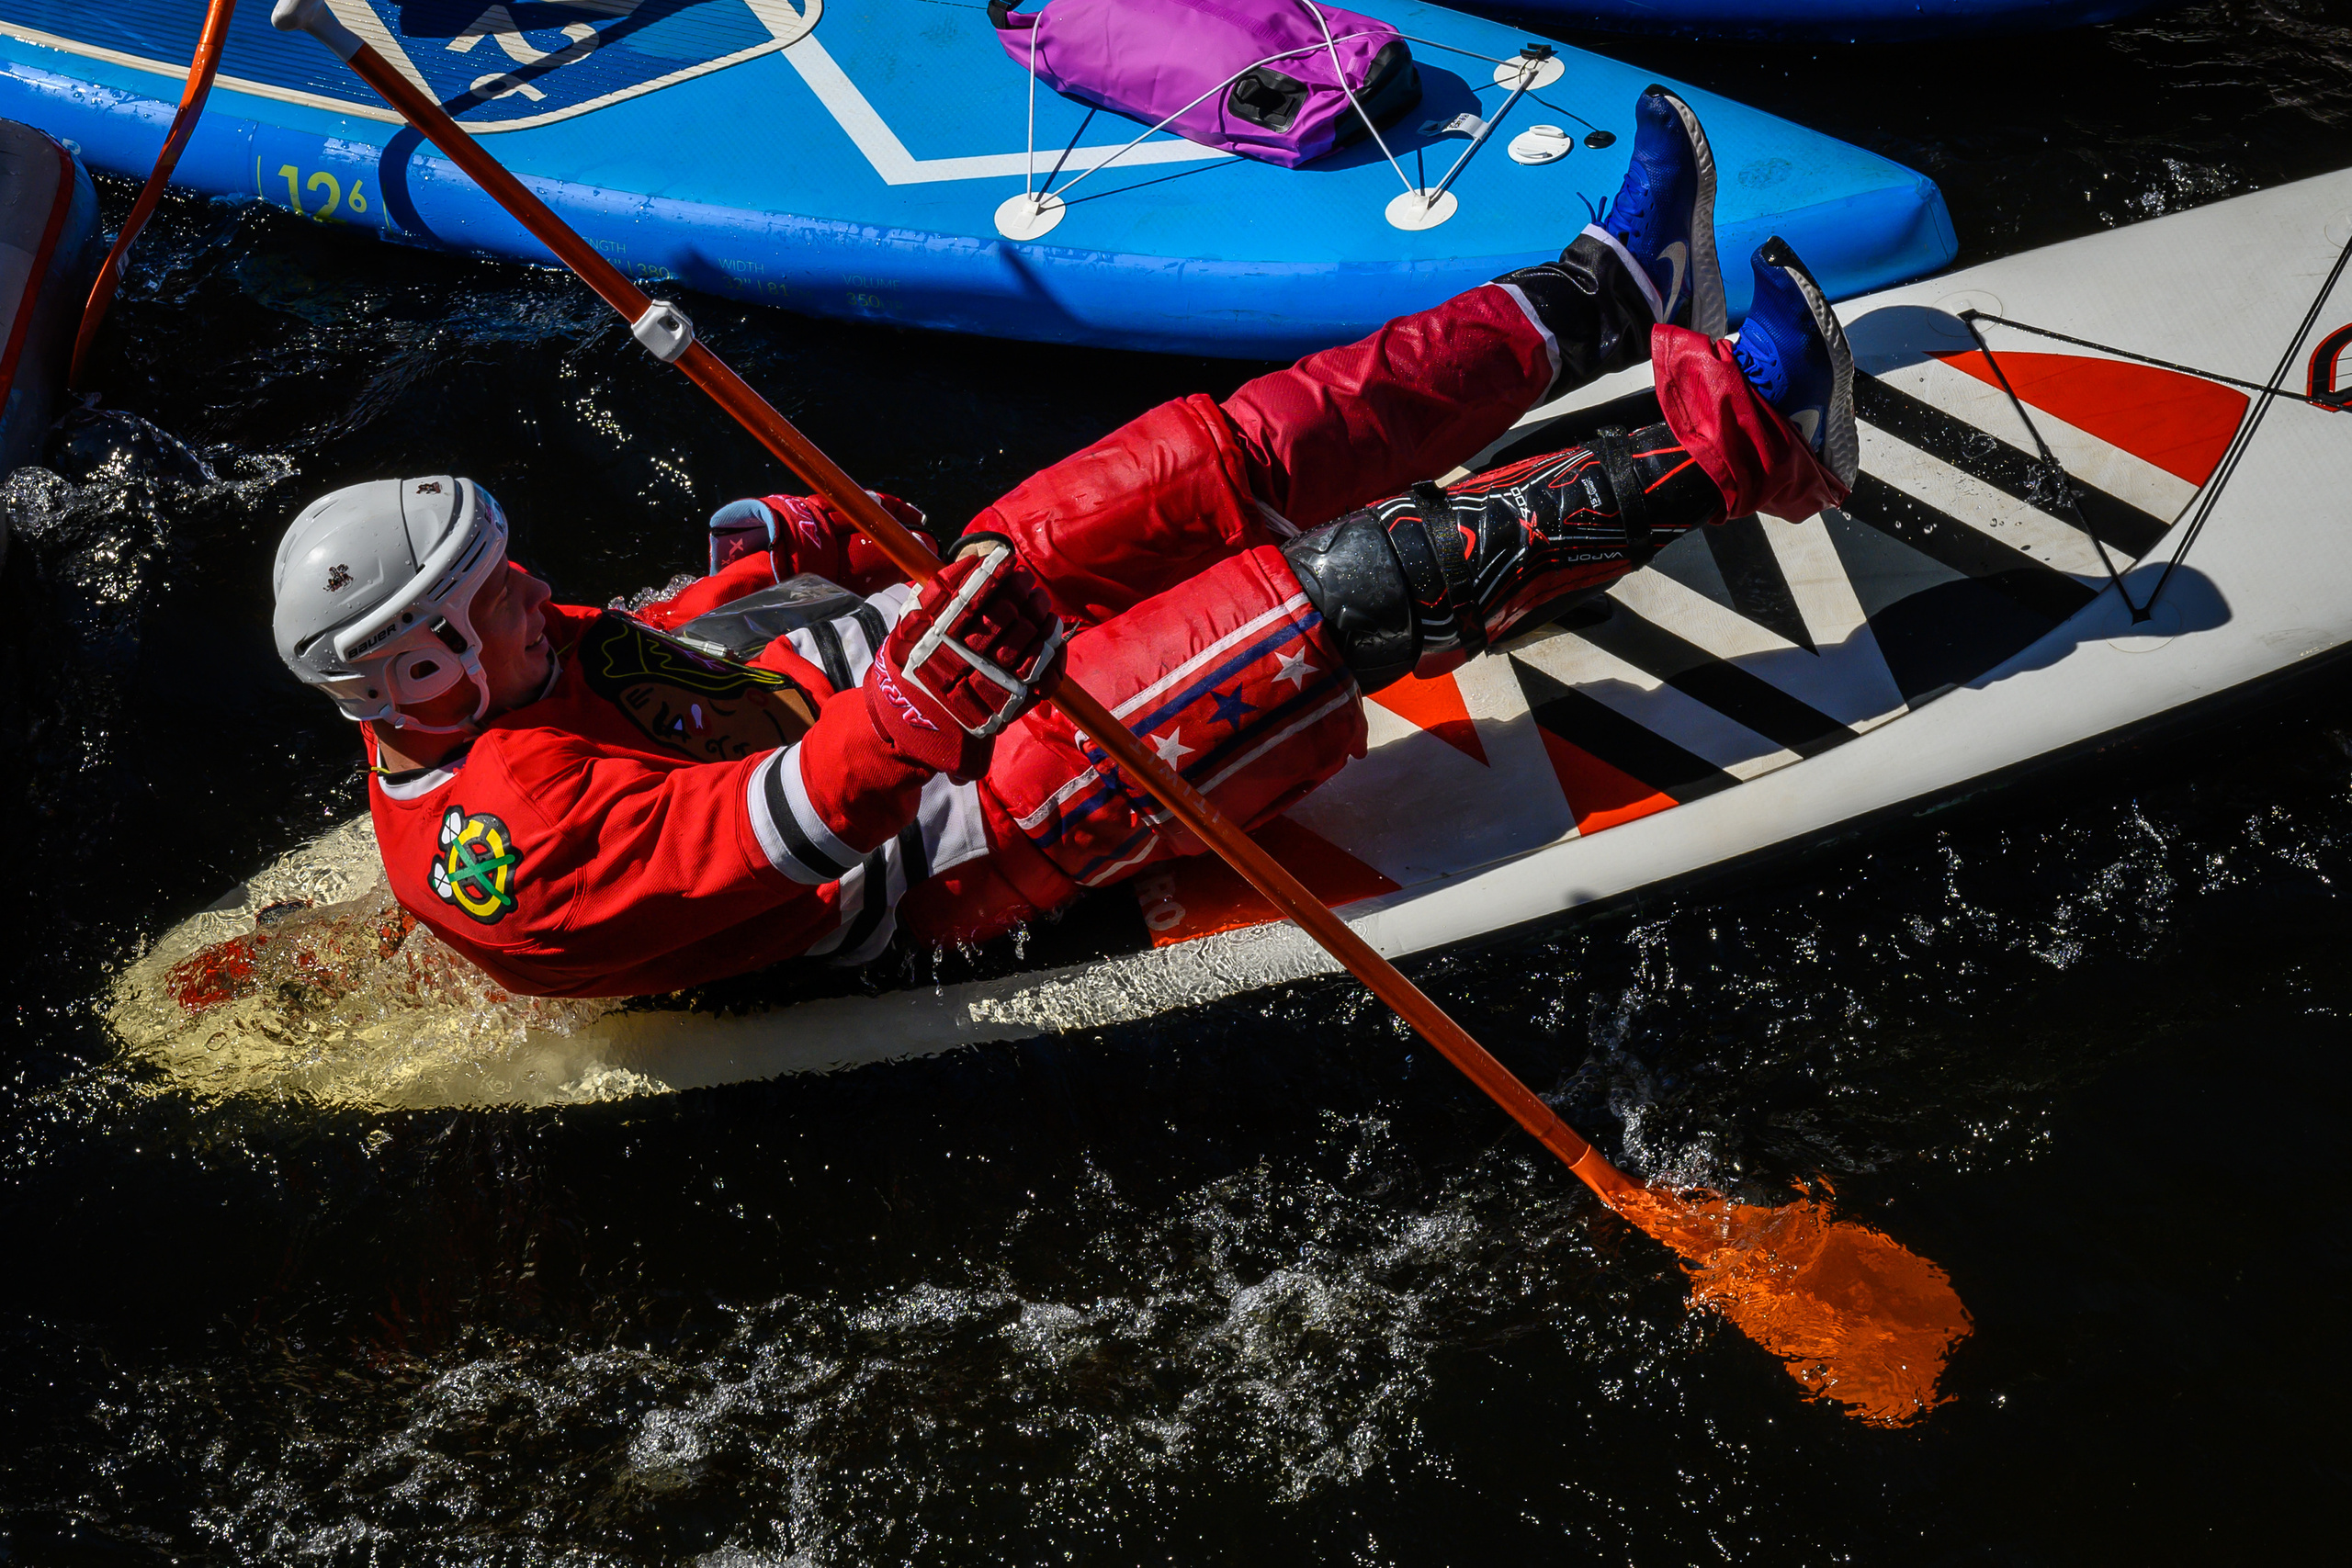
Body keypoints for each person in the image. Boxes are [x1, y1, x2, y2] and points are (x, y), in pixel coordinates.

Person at [268, 88, 1856, 1000]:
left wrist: (768, 568)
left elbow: (665, 661)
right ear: (425, 669)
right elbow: (770, 836)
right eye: (492, 599)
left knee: (1217, 460)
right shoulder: (513, 846)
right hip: (932, 840)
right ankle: (1750, 452)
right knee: (1323, 597)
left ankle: (1614, 297)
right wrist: (916, 712)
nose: (531, 587)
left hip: (884, 676)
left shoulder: (495, 672)